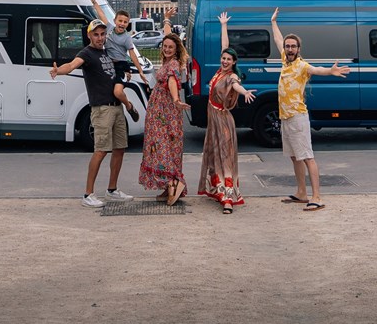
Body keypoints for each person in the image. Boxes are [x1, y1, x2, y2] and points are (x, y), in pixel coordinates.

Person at [51, 18, 140, 207]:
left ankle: (112, 190)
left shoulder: (106, 51)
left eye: (102, 34)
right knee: (100, 151)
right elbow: (73, 65)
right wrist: (59, 70)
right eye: (96, 34)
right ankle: (88, 194)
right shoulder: (87, 53)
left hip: (116, 107)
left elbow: (118, 66)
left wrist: (127, 72)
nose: (100, 38)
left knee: (120, 149)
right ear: (89, 35)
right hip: (101, 109)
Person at [270, 8, 350, 211]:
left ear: (298, 49)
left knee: (306, 156)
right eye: (288, 46)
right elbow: (278, 40)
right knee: (294, 156)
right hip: (285, 117)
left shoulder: (302, 66)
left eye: (293, 46)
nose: (289, 49)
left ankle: (317, 196)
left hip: (297, 117)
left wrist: (331, 71)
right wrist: (273, 23)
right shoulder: (284, 61)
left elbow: (317, 70)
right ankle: (301, 193)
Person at [199, 12, 257, 214]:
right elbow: (225, 45)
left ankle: (228, 198)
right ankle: (220, 191)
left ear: (234, 62)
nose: (224, 61)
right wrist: (223, 25)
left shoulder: (231, 76)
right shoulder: (220, 71)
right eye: (223, 58)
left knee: (225, 157)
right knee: (216, 155)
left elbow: (236, 85)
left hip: (222, 120)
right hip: (213, 119)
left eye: (228, 59)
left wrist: (245, 92)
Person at [138, 23, 188, 204]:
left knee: (163, 148)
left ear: (176, 51)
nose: (167, 49)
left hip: (165, 114)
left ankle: (174, 183)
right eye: (165, 46)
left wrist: (175, 99)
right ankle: (169, 188)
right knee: (163, 147)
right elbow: (170, 38)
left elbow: (172, 80)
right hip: (160, 112)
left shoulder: (173, 64)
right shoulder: (169, 61)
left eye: (170, 48)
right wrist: (167, 22)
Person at [89, 0, 150, 88]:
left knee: (117, 91)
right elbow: (102, 15)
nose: (122, 23)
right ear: (114, 21)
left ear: (128, 24)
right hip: (109, 64)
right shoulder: (109, 28)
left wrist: (140, 71)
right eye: (120, 21)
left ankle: (127, 103)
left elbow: (132, 54)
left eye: (125, 22)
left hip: (121, 65)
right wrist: (94, 3)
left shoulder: (127, 38)